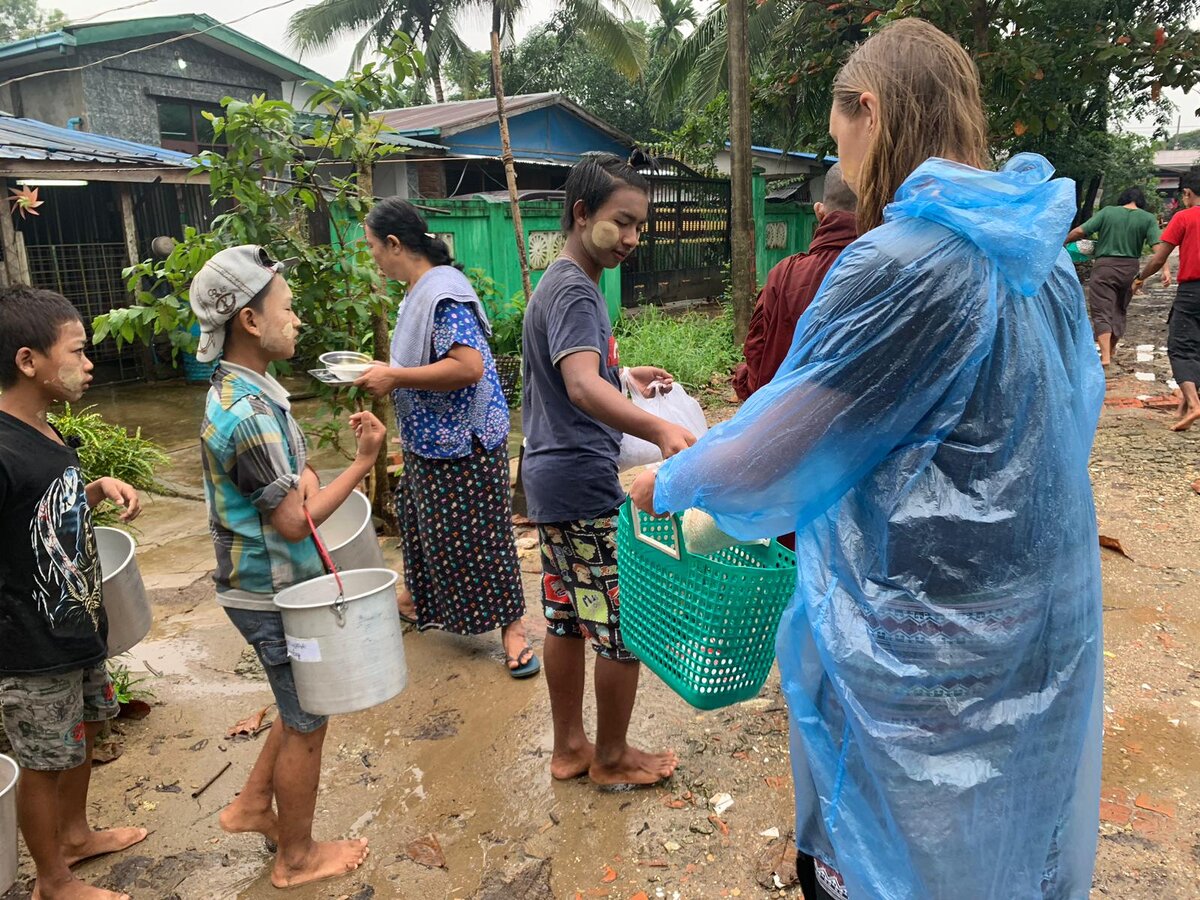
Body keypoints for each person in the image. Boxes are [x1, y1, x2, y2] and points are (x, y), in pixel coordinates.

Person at [633, 20, 1103, 900]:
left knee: (900, 850)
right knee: (1006, 844)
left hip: (923, 642)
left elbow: (779, 449)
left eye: (838, 127)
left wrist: (670, 478)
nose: (835, 151)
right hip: (1037, 624)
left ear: (873, 111)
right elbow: (1071, 426)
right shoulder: (1043, 260)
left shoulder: (905, 265)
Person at [191, 245, 383, 889]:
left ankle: (251, 804)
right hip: (269, 592)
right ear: (249, 321)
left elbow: (286, 484)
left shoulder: (249, 391)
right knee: (307, 720)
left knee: (292, 699)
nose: (296, 320)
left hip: (271, 583)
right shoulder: (246, 412)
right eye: (287, 308)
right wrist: (362, 463)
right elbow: (297, 520)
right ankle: (296, 858)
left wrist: (304, 476)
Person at [522, 152, 696, 787]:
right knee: (623, 627)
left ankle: (571, 747)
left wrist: (627, 376)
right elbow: (577, 388)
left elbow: (582, 374)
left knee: (566, 614)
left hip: (549, 478)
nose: (630, 239)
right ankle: (613, 757)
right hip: (579, 479)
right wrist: (657, 426)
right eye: (621, 222)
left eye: (639, 227)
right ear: (580, 213)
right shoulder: (575, 288)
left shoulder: (561, 281)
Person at [0, 286, 147, 900]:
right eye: (78, 352)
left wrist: (93, 491)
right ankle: (52, 881)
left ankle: (77, 835)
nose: (90, 365)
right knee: (43, 759)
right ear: (28, 361)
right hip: (29, 643)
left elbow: (41, 513)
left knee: (83, 731)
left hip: (75, 626)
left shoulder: (47, 429)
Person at [355, 198, 539, 678]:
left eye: (373, 247)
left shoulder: (445, 294)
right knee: (420, 519)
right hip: (431, 439)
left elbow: (468, 367)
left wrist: (394, 377)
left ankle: (513, 629)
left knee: (483, 537)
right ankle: (418, 597)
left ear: (395, 244)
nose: (372, 256)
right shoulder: (419, 289)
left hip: (465, 442)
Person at [733, 163, 858, 401]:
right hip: (861, 428)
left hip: (782, 420)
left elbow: (758, 359)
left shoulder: (785, 274)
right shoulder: (891, 271)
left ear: (819, 212)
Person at [1065, 186, 1170, 366]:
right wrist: (1165, 270)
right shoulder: (1147, 218)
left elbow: (1080, 232)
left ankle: (1105, 356)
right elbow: (1159, 248)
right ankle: (1112, 351)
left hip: (1105, 267)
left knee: (1101, 311)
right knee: (1119, 309)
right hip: (1130, 269)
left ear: (1123, 199)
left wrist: (1063, 242)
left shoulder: (1107, 213)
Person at [1134, 171, 1200, 430]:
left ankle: (1194, 404)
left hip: (1192, 291)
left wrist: (1140, 278)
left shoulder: (1184, 217)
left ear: (1187, 194)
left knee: (1181, 347)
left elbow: (1159, 258)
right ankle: (1185, 404)